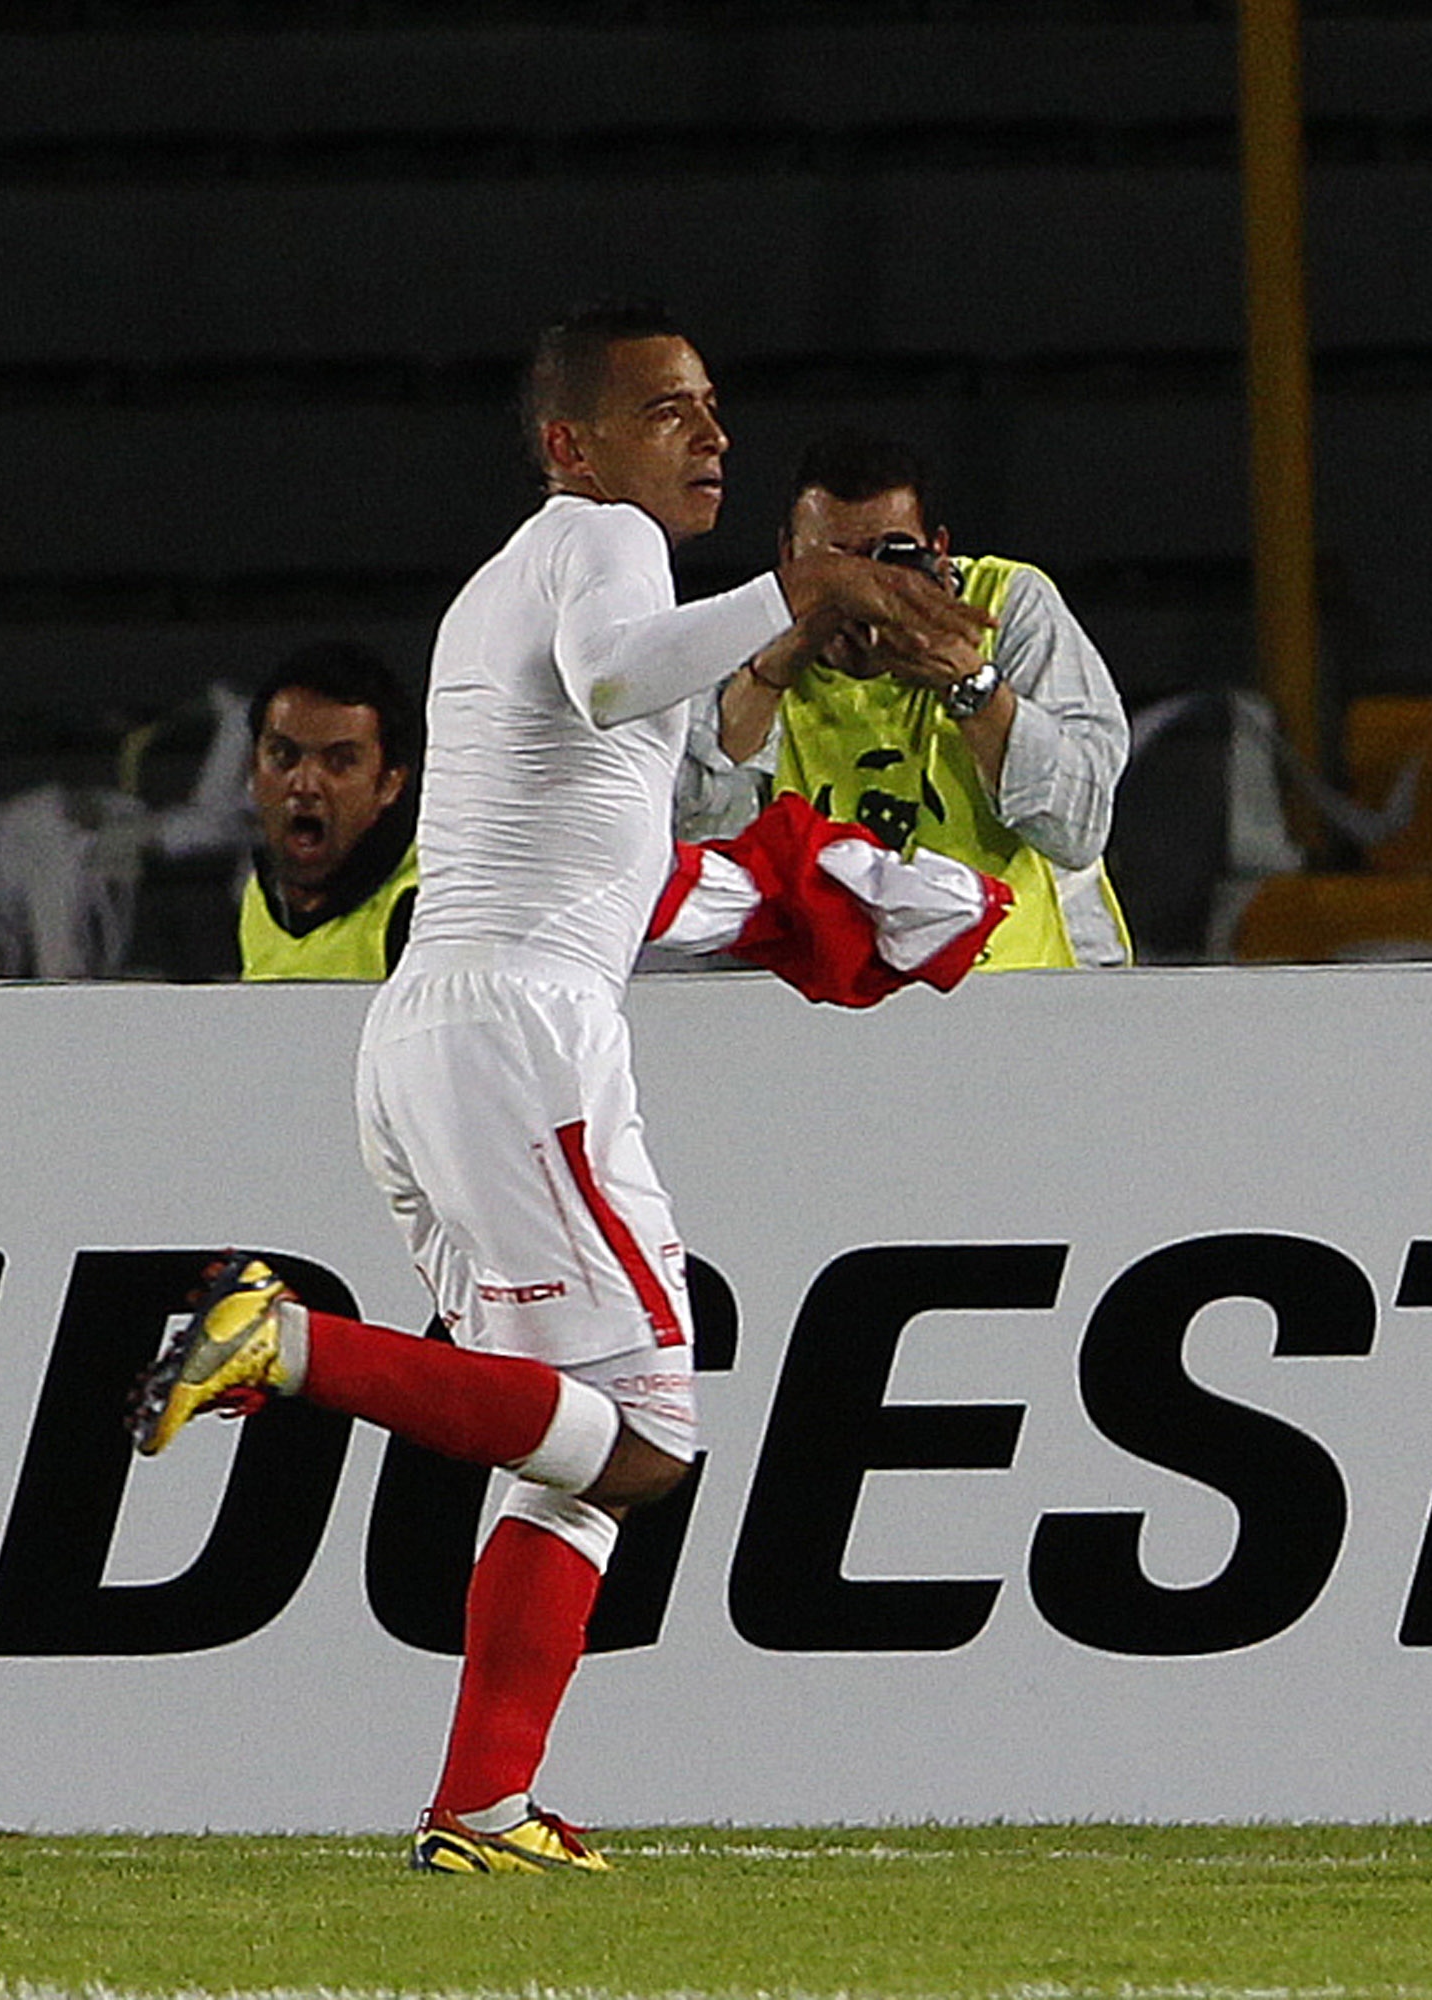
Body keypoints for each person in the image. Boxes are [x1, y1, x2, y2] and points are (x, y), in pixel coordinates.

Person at [129, 301, 988, 1874]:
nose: (712, 436)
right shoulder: (598, 546)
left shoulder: (504, 590)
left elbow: (626, 813)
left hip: (444, 1026)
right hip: (519, 1031)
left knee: (572, 1456)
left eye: (715, 407)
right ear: (571, 445)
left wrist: (801, 766)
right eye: (670, 411)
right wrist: (789, 589)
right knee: (650, 1436)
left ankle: (484, 1810)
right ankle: (289, 1343)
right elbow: (607, 681)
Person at [681, 428, 1133, 969]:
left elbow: (1076, 829)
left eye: (885, 557)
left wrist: (970, 683)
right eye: (836, 564)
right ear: (788, 556)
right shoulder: (744, 635)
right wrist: (770, 674)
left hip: (1015, 991)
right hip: (817, 1004)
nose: (864, 587)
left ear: (937, 551)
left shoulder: (1004, 606)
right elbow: (703, 858)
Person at [238, 640, 426, 981]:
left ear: (389, 784)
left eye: (339, 762)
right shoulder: (261, 894)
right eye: (283, 756)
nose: (305, 785)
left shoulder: (424, 912)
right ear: (253, 767)